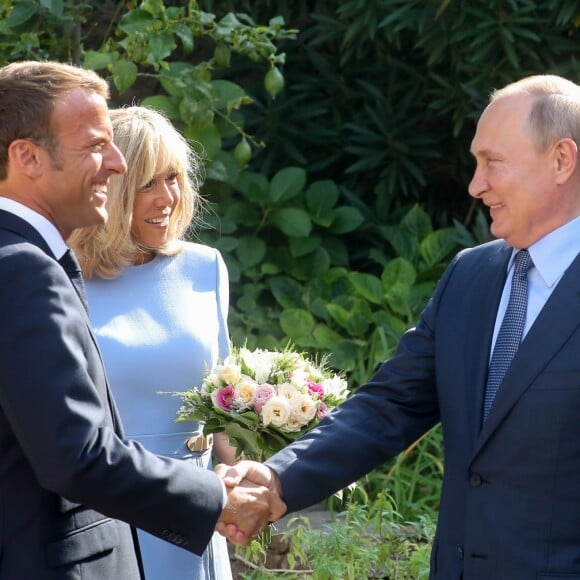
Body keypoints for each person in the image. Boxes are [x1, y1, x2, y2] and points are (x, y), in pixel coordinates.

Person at [219, 73, 580, 579]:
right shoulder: (470, 276)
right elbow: (391, 405)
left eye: (492, 162)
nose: (476, 186)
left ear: (561, 159)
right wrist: (277, 477)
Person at [0, 60, 283, 580]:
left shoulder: (29, 261)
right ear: (28, 157)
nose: (114, 163)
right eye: (94, 147)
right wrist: (213, 495)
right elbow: (76, 456)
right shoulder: (22, 270)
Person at [69, 105, 235, 580]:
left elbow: (223, 405)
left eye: (174, 178)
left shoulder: (205, 267)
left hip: (195, 514)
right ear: (112, 186)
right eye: (146, 184)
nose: (167, 198)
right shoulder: (61, 278)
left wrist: (248, 486)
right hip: (104, 515)